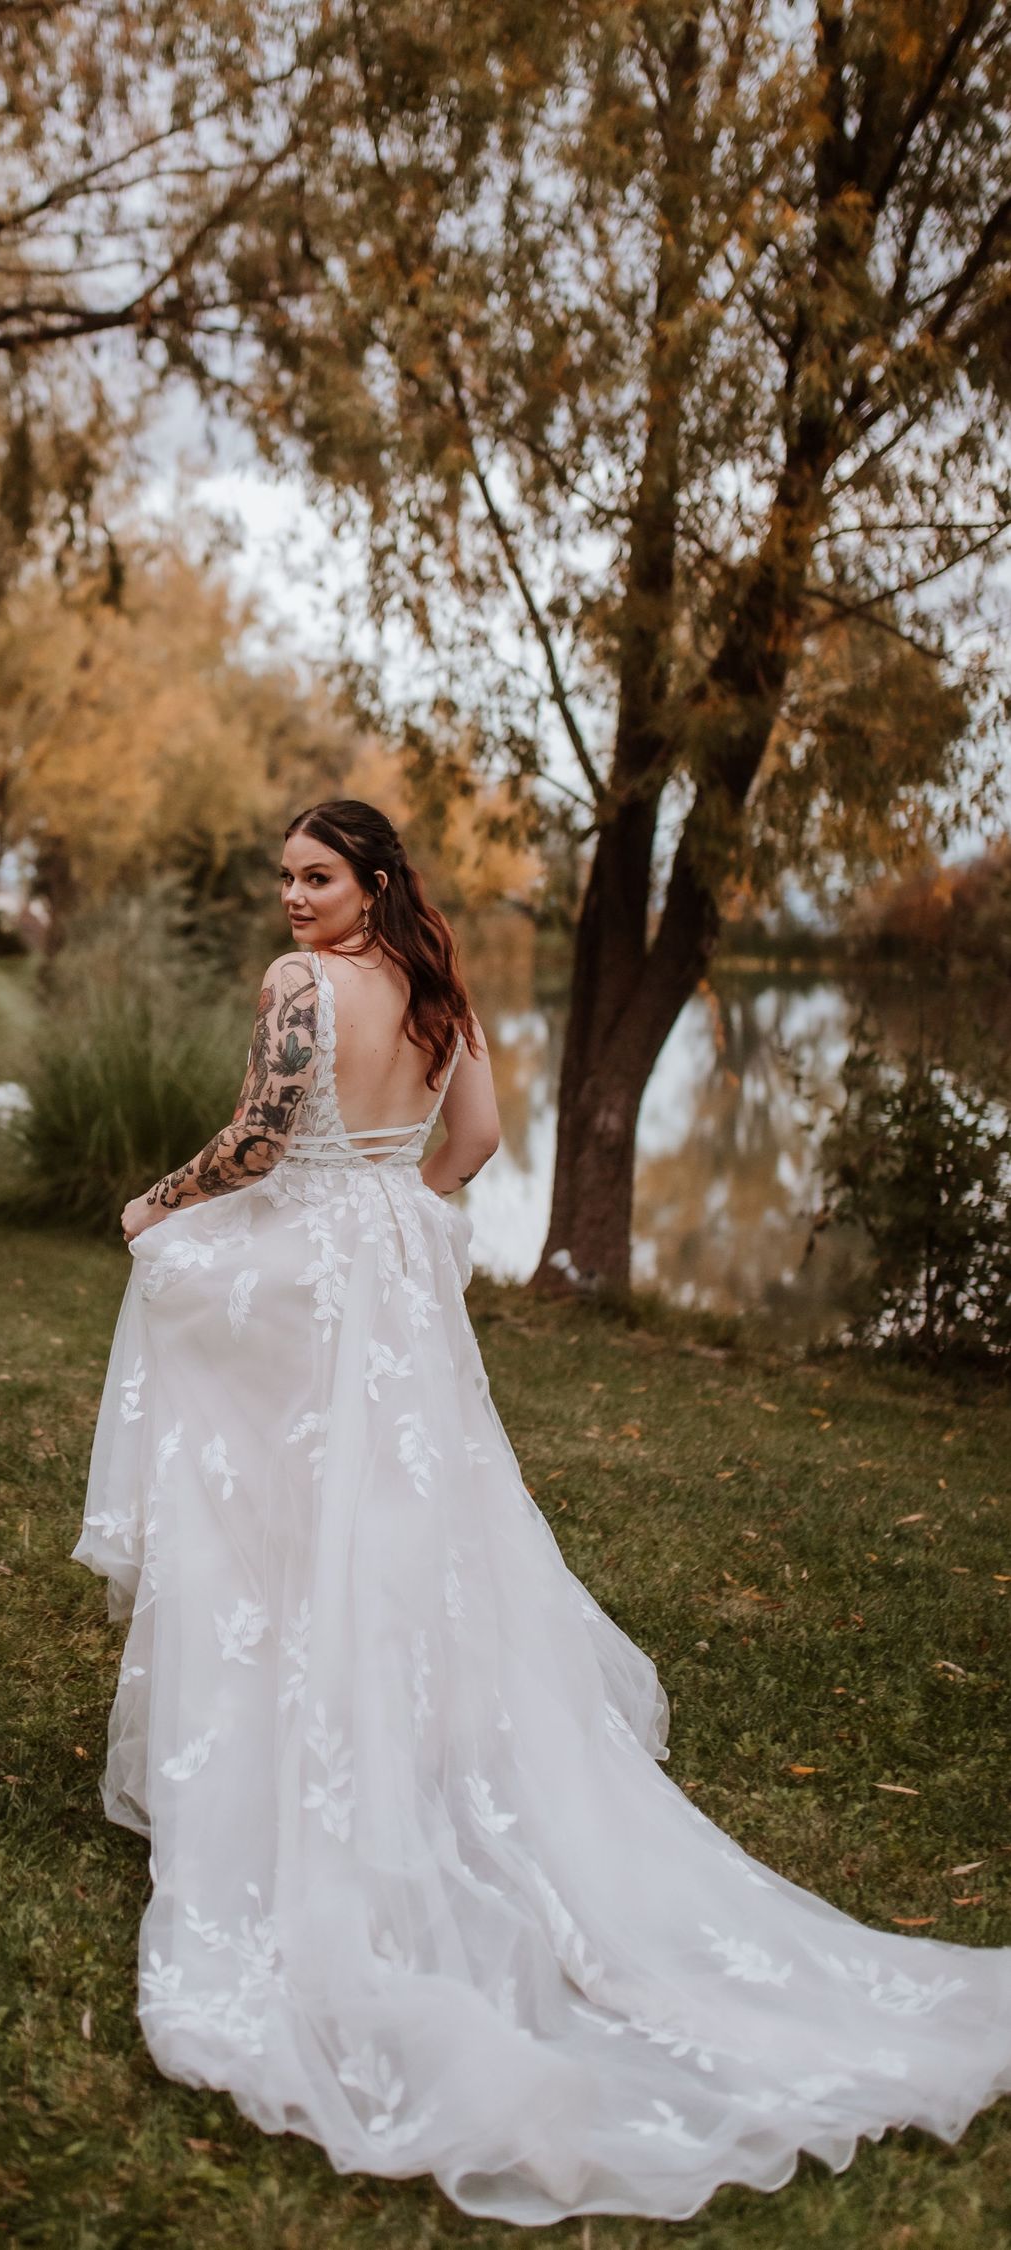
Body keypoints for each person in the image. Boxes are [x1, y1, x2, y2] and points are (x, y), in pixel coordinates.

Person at [72, 798, 1011, 2227]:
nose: (291, 899)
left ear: (372, 879)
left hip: (321, 1260)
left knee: (288, 1503)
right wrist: (392, 1196)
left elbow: (260, 1142)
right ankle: (397, 1760)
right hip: (391, 1265)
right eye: (284, 879)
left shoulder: (299, 989)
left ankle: (304, 1774)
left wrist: (158, 1202)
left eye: (316, 876)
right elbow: (483, 1141)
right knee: (405, 1527)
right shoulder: (441, 987)